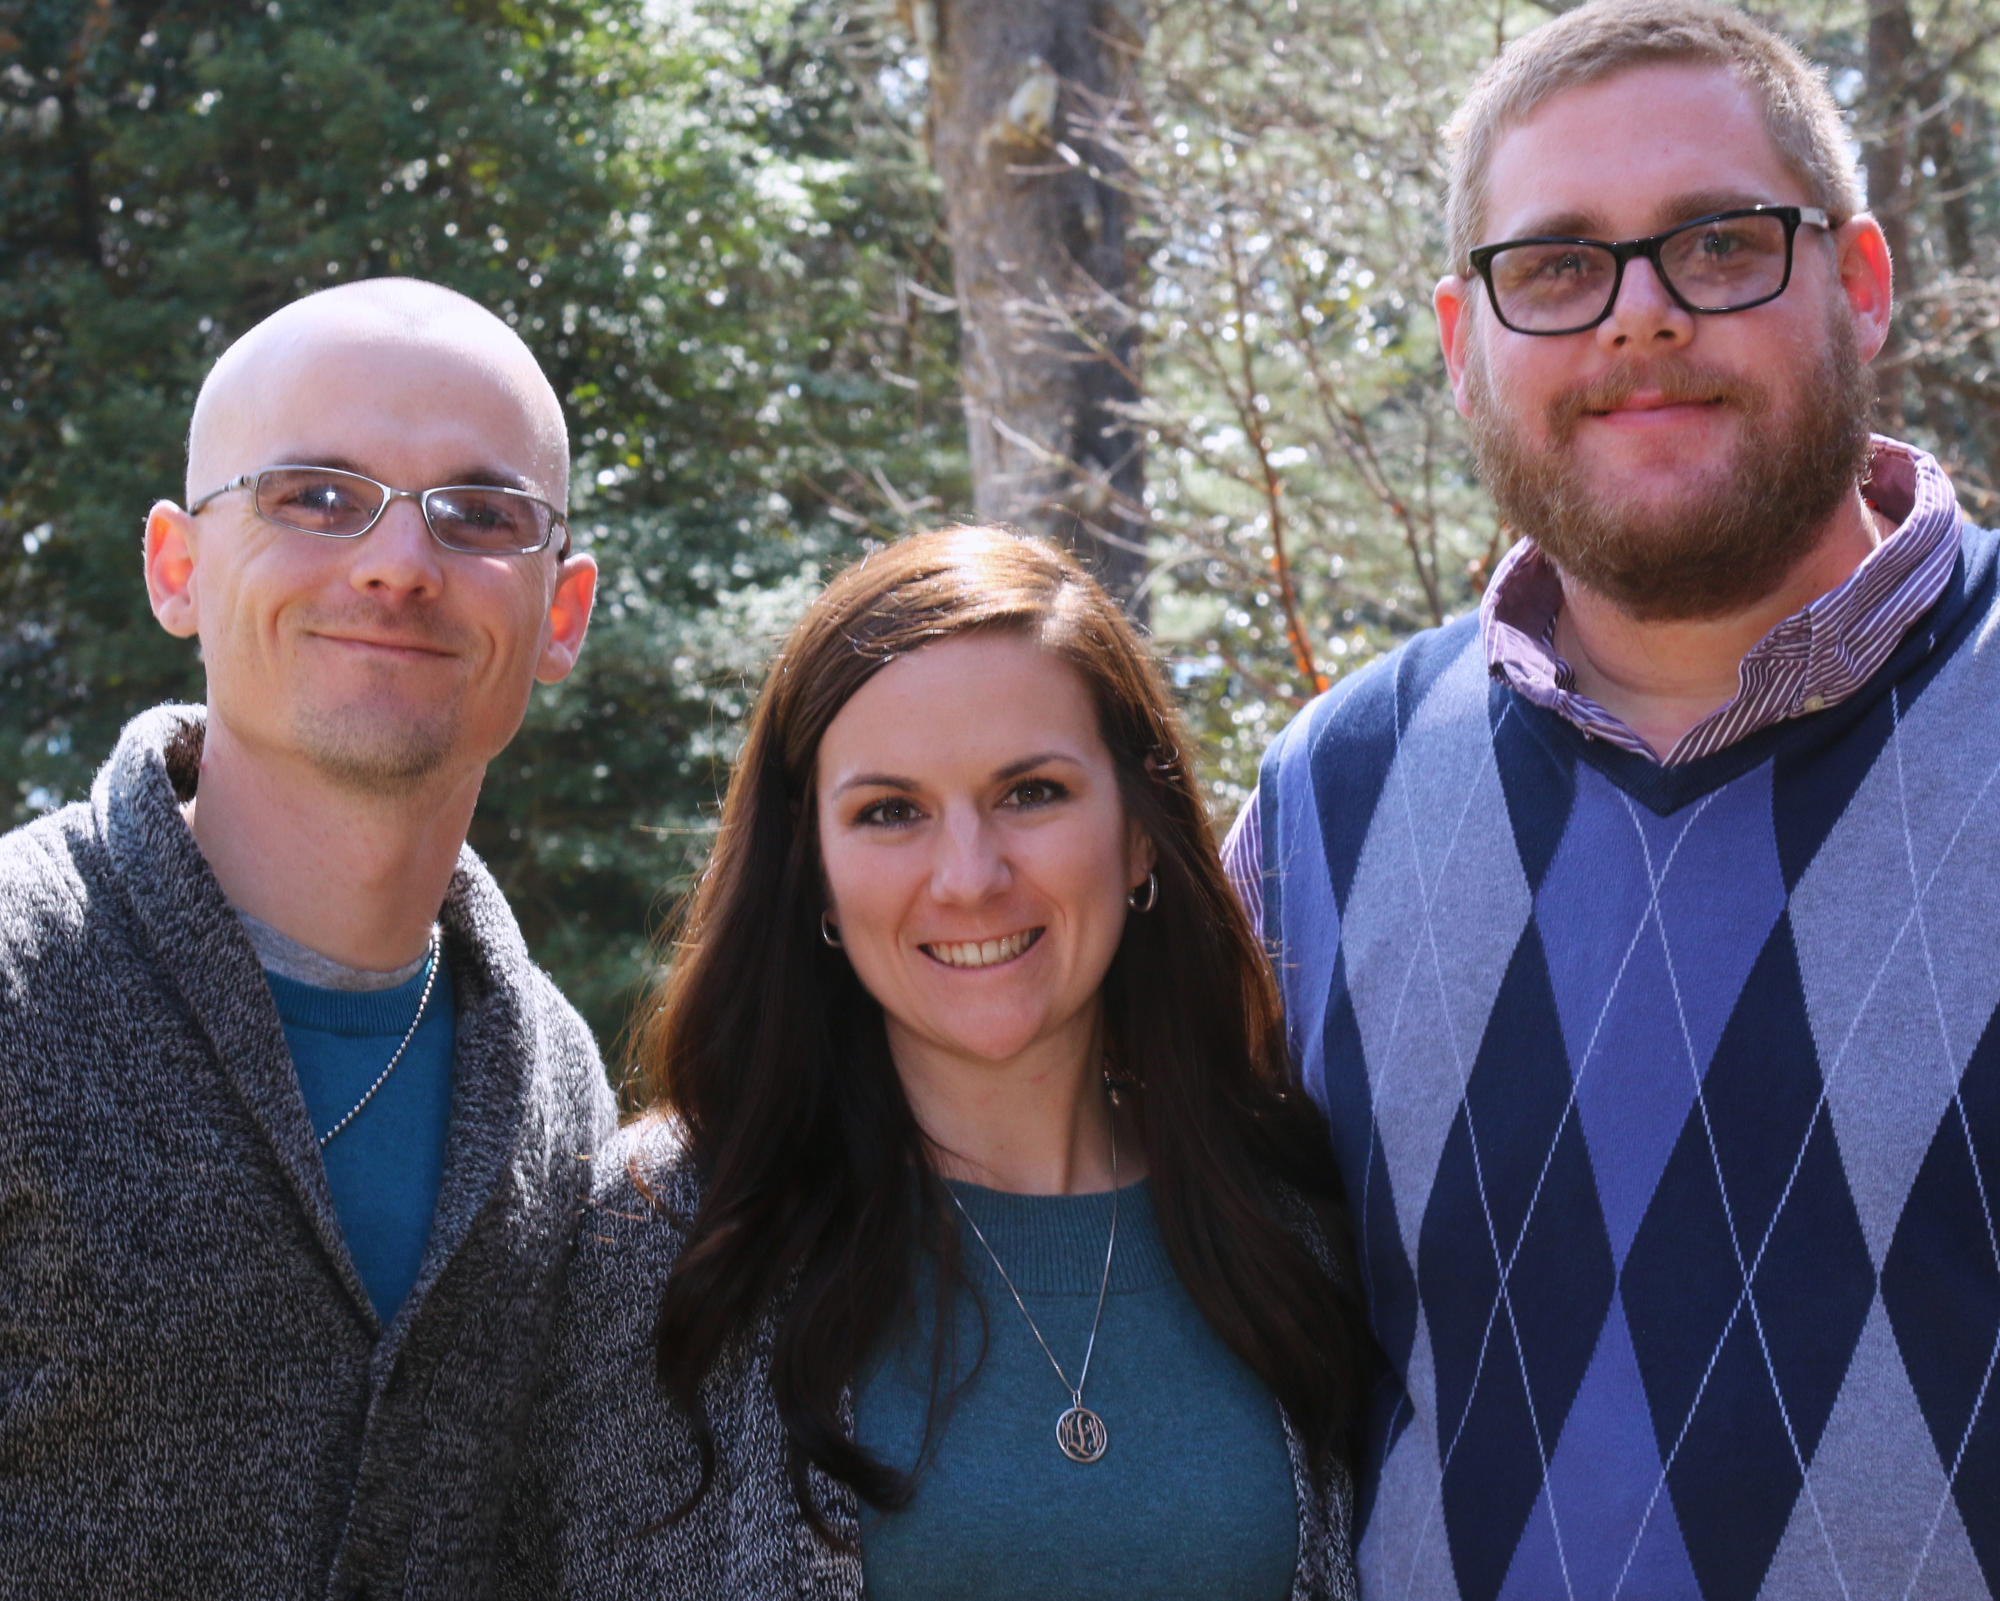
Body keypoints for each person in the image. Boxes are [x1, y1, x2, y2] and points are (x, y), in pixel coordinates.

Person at [1221, 2, 2000, 1597]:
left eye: (1720, 243)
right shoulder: (1322, 810)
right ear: (1462, 344)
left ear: (1860, 284)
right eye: (1560, 265)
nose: (1640, 318)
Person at [499, 526, 1368, 1599]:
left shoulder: (1296, 1228)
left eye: (1031, 791)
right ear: (812, 869)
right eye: (890, 811)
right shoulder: (665, 1243)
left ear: (1139, 831)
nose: (968, 875)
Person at [0, 278, 616, 1598]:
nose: (398, 563)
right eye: (316, 496)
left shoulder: (562, 1092)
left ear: (559, 615)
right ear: (177, 566)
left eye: (480, 514)